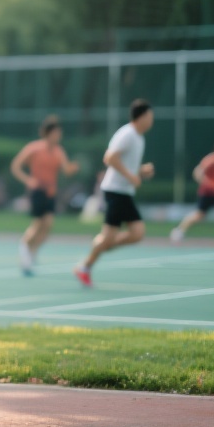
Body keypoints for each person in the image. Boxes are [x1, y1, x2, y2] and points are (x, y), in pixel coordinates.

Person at [74, 99, 155, 287]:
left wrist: (141, 171)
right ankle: (86, 264)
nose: (151, 121)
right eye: (150, 117)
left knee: (137, 233)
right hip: (115, 191)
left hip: (124, 192)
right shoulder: (127, 134)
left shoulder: (138, 137)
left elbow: (126, 165)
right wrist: (131, 177)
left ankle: (100, 246)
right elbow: (109, 158)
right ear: (141, 117)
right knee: (113, 237)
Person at [9, 116, 80, 275]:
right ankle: (25, 250)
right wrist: (28, 180)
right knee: (38, 224)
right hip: (37, 191)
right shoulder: (34, 148)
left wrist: (72, 168)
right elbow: (16, 166)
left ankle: (31, 253)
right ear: (47, 133)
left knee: (48, 225)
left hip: (51, 192)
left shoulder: (59, 151)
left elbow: (66, 170)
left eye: (59, 132)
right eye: (55, 132)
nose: (58, 136)